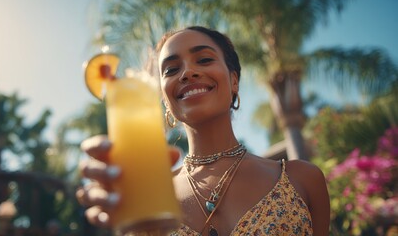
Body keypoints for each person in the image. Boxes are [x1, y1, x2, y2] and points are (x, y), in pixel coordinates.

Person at [76, 26, 330, 235]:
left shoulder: (303, 179)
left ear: (234, 81)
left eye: (205, 59)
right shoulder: (144, 201)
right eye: (171, 70)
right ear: (164, 99)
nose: (188, 72)